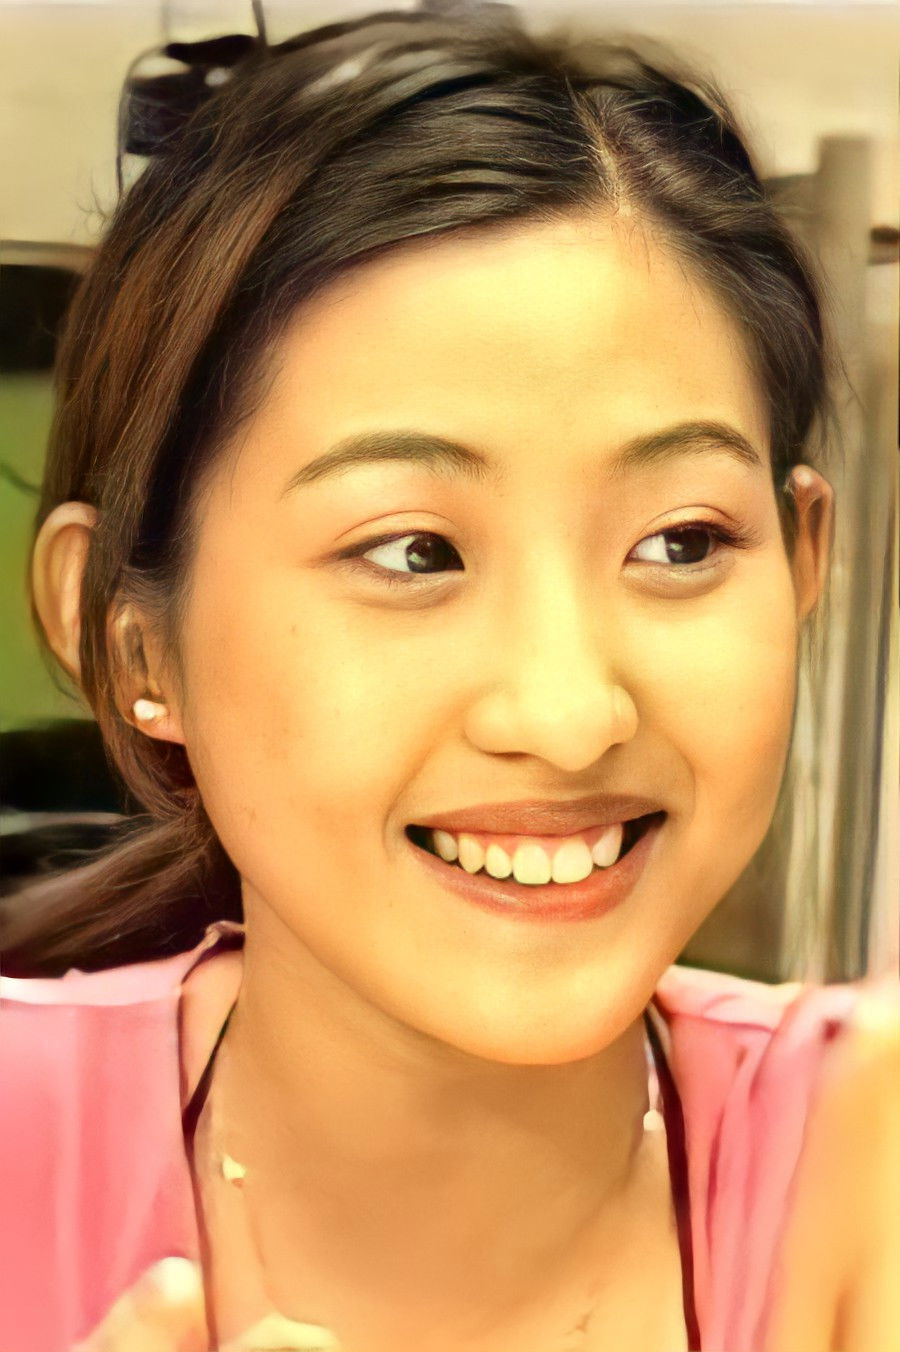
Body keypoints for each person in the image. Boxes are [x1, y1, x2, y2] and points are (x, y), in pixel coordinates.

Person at [0, 4, 897, 1351]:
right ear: (131, 642)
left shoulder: (864, 1157)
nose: (569, 714)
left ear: (805, 557)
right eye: (413, 551)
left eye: (680, 542)